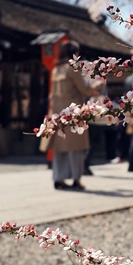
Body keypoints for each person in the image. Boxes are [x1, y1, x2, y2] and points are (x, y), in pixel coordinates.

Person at [44, 41, 97, 190]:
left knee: (59, 149)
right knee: (76, 149)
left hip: (57, 114)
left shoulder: (56, 69)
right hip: (73, 114)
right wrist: (97, 85)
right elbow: (84, 89)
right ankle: (76, 178)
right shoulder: (73, 68)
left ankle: (58, 178)